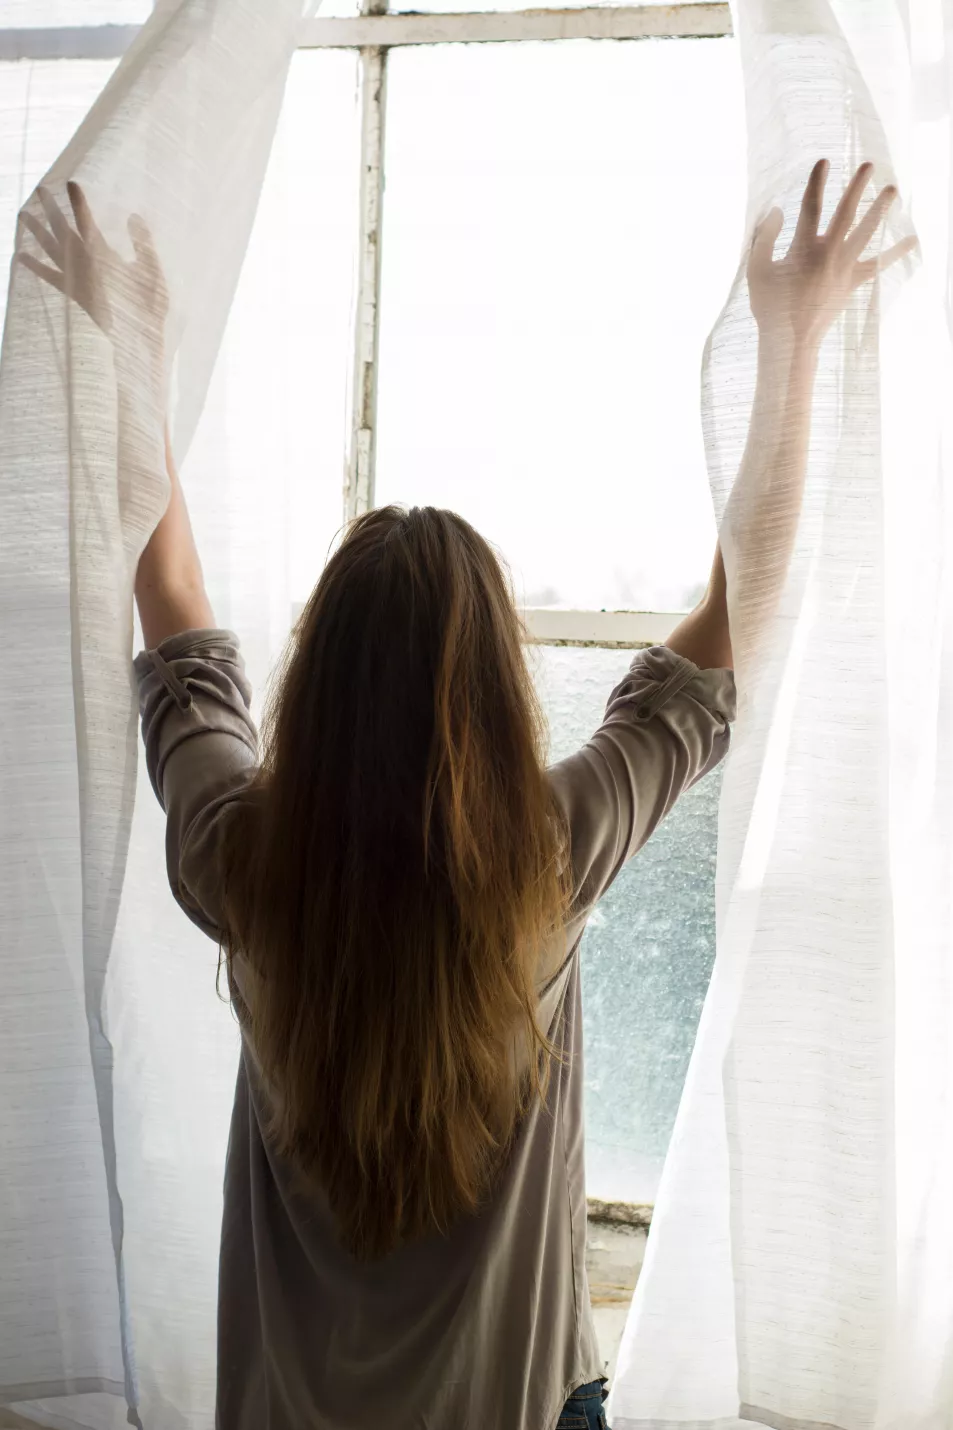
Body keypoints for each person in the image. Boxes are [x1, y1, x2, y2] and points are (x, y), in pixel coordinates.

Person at [20, 161, 913, 1430]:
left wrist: (128, 347)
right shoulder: (547, 851)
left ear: (315, 679)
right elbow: (741, 611)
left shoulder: (243, 858)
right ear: (498, 693)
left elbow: (175, 615)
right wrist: (794, 333)